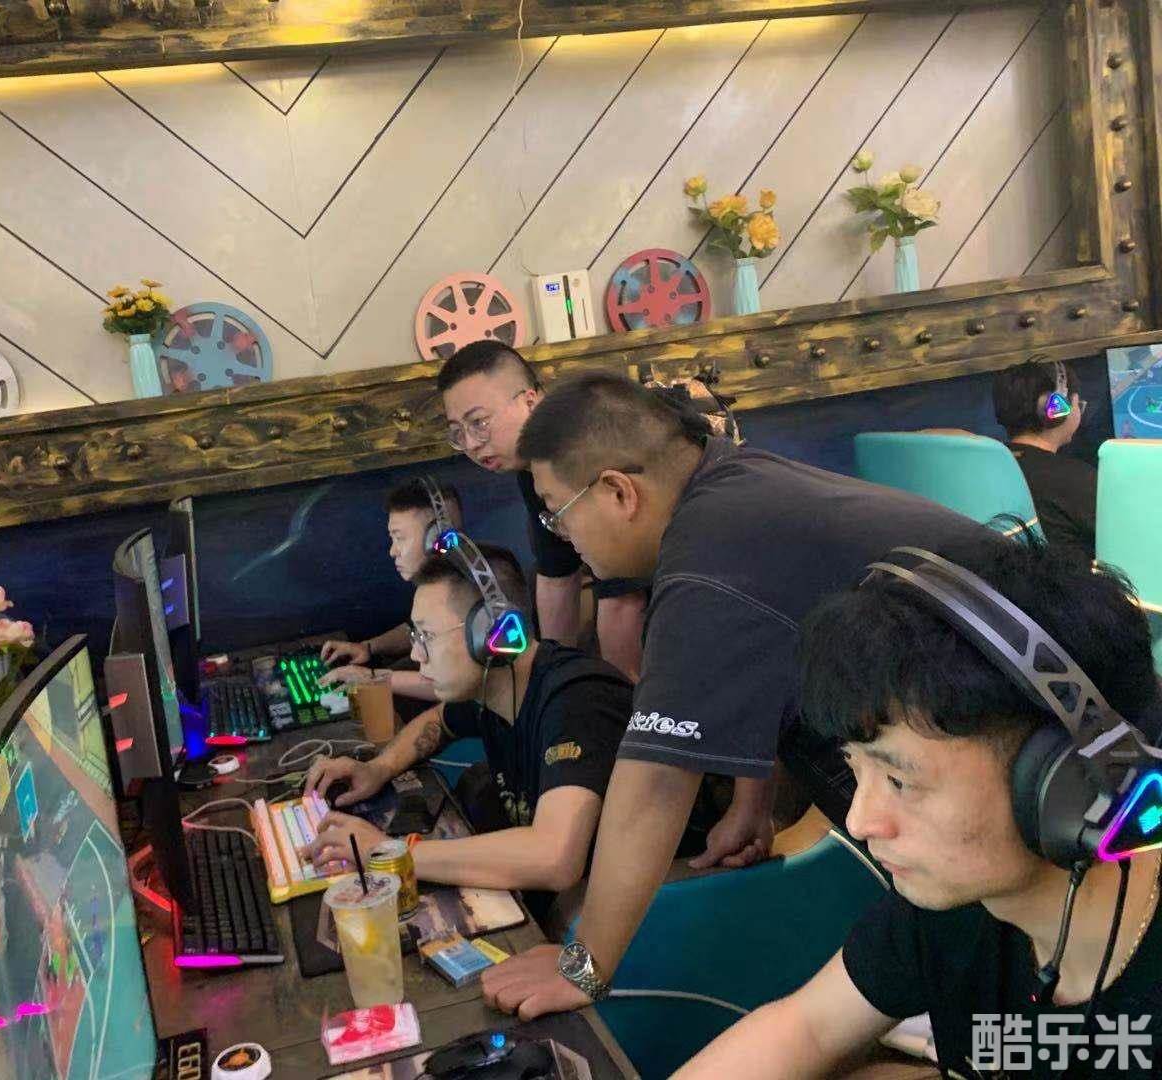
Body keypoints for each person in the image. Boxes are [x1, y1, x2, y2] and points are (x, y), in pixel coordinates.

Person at [481, 371, 990, 1021]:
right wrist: (755, 803)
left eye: (556, 511)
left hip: (1013, 789)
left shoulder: (704, 561)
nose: (560, 535)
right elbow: (768, 658)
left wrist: (584, 965)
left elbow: (656, 783)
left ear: (618, 492)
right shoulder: (731, 487)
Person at [672, 540, 1162, 1079]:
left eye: (900, 781)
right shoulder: (956, 900)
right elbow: (806, 1027)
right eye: (855, 768)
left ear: (1069, 784)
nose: (860, 822)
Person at [302, 543, 649, 907]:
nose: (416, 654)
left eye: (427, 636)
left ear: (491, 635)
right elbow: (438, 720)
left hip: (627, 906)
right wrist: (377, 768)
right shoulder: (493, 687)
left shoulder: (578, 700)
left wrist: (390, 852)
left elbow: (555, 857)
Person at [438, 341, 651, 681]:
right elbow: (556, 575)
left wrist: (618, 696)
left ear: (530, 401)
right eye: (457, 432)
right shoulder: (531, 465)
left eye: (478, 422)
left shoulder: (583, 451)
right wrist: (552, 680)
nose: (472, 444)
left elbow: (622, 597)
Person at [318, 478, 464, 703]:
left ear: (437, 539)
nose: (393, 551)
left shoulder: (470, 593)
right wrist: (368, 647)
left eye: (400, 538)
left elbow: (457, 682)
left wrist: (372, 677)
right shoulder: (437, 586)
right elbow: (417, 629)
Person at [993, 357, 1097, 565]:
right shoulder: (1078, 479)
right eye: (1078, 405)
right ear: (1056, 410)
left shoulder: (986, 468)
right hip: (1071, 582)